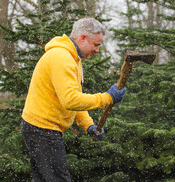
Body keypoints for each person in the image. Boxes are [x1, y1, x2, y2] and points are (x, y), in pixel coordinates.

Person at [20, 17, 127, 182]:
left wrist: (88, 125)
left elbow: (73, 98)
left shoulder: (72, 58)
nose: (97, 50)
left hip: (39, 128)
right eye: (96, 44)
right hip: (42, 129)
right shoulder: (61, 57)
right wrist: (107, 98)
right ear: (83, 38)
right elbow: (70, 100)